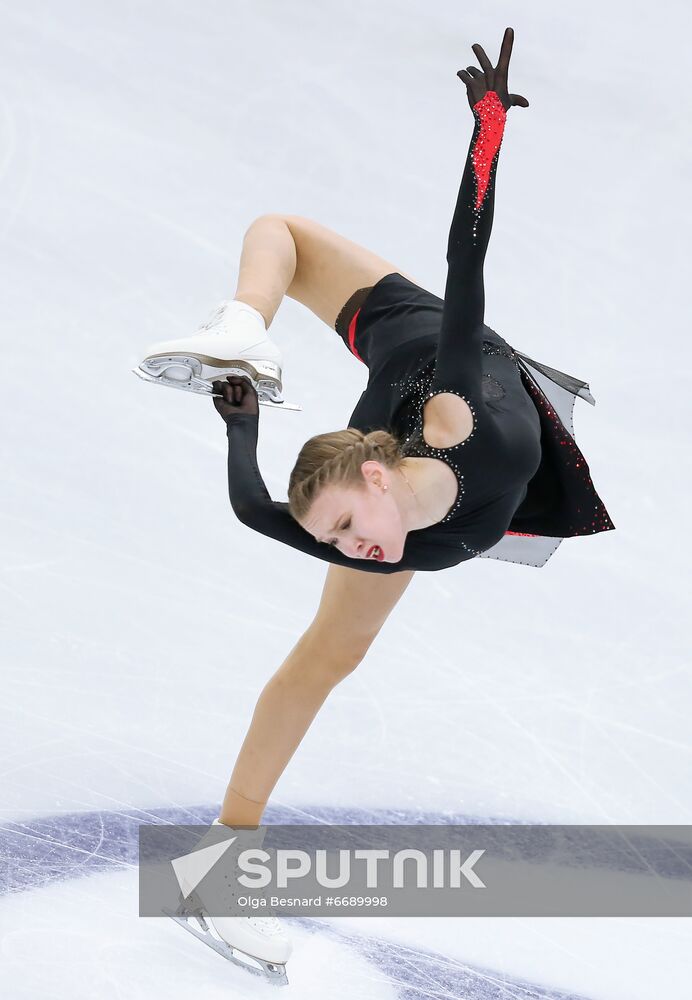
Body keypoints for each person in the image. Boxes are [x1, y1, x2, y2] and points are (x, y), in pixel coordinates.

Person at [138, 27, 614, 981]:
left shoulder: (455, 429)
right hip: (396, 375)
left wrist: (487, 129)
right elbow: (260, 511)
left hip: (438, 349)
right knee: (273, 230)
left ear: (376, 477)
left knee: (335, 649)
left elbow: (467, 252)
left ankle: (249, 331)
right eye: (340, 544)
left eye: (347, 530)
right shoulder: (381, 522)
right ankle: (244, 326)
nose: (353, 552)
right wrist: (241, 428)